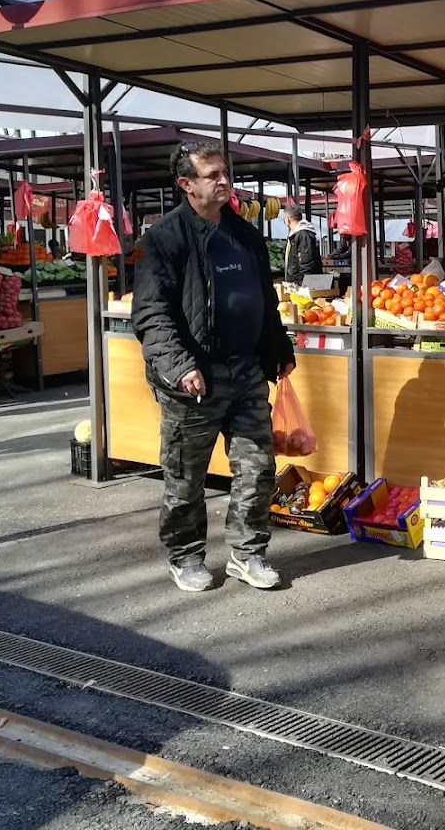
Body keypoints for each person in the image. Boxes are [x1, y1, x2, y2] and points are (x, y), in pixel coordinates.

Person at [133, 141, 296, 594]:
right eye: (212, 175)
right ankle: (186, 557)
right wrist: (180, 365)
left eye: (225, 172)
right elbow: (151, 314)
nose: (224, 181)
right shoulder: (165, 238)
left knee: (258, 467)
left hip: (246, 371)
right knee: (186, 475)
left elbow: (264, 299)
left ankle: (248, 553)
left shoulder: (245, 235)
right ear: (186, 184)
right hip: (194, 379)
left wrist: (277, 346)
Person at [280, 203, 322, 284]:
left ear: (287, 219)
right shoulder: (296, 234)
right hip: (299, 282)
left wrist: (300, 283)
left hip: (303, 284)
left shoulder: (303, 234)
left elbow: (306, 261)